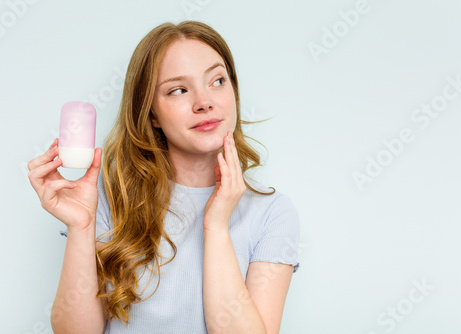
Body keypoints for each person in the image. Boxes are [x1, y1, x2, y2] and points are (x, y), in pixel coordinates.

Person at [28, 20, 300, 334]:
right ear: (152, 113)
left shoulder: (273, 213)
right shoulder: (110, 198)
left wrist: (216, 227)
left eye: (217, 81)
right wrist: (81, 227)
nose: (204, 102)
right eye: (178, 90)